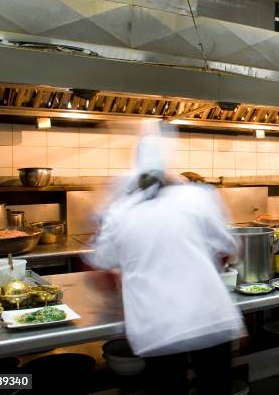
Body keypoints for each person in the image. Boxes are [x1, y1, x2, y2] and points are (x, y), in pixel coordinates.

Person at [87, 126, 245, 394]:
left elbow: (102, 261)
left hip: (158, 328)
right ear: (168, 169)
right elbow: (227, 246)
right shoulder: (197, 197)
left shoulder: (120, 211)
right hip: (209, 320)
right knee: (216, 388)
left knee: (168, 388)